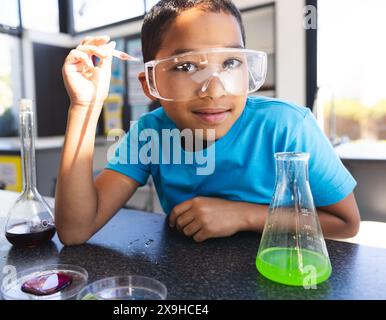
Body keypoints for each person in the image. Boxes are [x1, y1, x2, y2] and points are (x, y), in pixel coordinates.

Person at [55, 0, 360, 246]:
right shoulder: (150, 133)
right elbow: (75, 231)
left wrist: (244, 215)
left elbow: (345, 223)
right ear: (150, 84)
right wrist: (85, 106)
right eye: (186, 66)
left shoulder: (288, 126)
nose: (214, 90)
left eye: (230, 63)